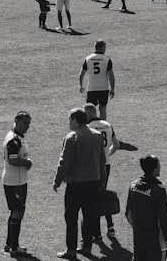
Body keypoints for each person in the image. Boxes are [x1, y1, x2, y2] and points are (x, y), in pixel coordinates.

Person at [53, 107, 106, 260]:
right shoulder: (96, 136)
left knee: (71, 217)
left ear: (75, 120)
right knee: (89, 215)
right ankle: (87, 246)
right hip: (94, 183)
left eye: (69, 119)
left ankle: (71, 250)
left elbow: (64, 161)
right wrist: (102, 181)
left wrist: (57, 181)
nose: (68, 122)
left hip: (76, 185)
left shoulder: (72, 137)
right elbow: (102, 161)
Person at [125, 154, 167, 261]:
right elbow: (163, 217)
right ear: (154, 169)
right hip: (155, 241)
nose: (160, 167)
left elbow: (128, 213)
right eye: (158, 165)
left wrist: (138, 228)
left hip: (139, 238)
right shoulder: (159, 190)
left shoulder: (133, 186)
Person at [85, 103, 119, 239]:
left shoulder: (88, 128)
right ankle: (110, 227)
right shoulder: (107, 124)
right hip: (106, 165)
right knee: (102, 193)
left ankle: (97, 233)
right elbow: (116, 145)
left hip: (93, 166)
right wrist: (107, 155)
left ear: (88, 114)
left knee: (93, 197)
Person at [2, 111, 33, 257]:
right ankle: (15, 247)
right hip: (14, 181)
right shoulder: (13, 140)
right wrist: (26, 162)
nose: (27, 126)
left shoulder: (19, 138)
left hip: (19, 180)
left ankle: (10, 243)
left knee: (16, 211)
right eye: (25, 123)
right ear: (17, 121)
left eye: (29, 124)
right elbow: (12, 159)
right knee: (18, 212)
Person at [80, 41, 116, 120]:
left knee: (89, 109)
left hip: (92, 87)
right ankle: (102, 126)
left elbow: (82, 73)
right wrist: (112, 89)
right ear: (102, 47)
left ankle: (90, 127)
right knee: (102, 108)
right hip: (103, 88)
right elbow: (111, 75)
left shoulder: (88, 58)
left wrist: (81, 85)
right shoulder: (107, 59)